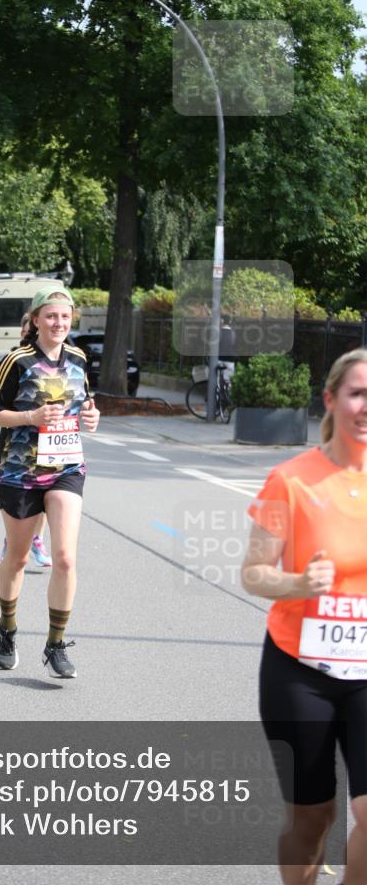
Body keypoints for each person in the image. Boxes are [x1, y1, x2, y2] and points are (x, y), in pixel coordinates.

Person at [241, 348, 367, 885]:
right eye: (357, 393)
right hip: (299, 670)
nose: (366, 406)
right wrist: (297, 583)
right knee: (313, 818)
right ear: (332, 400)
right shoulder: (288, 480)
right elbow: (252, 572)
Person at [0, 287, 100, 679]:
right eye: (51, 316)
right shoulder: (16, 361)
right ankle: (7, 628)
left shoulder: (80, 358)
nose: (59, 324)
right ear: (36, 320)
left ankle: (56, 643)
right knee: (16, 559)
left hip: (66, 467)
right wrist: (31, 417)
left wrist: (91, 418)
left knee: (66, 558)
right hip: (21, 472)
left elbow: (85, 403)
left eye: (65, 317)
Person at [0, 311, 51, 568]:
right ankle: (13, 537)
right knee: (14, 493)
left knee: (44, 491)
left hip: (48, 440)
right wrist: (28, 416)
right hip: (13, 439)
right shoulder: (15, 361)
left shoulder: (54, 361)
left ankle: (37, 538)